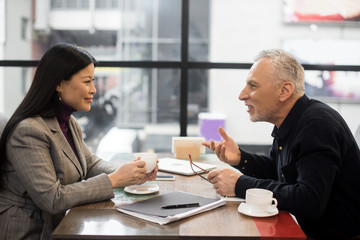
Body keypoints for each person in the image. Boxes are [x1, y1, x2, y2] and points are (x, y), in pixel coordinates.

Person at [0, 43, 158, 239]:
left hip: (62, 223)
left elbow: (90, 164)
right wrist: (114, 180)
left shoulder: (68, 122)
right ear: (58, 83)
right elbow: (52, 199)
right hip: (30, 230)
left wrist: (132, 171)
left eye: (93, 81)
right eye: (86, 82)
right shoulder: (28, 132)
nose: (93, 90)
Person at [203, 49, 360, 239]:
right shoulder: (292, 121)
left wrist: (239, 184)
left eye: (252, 85)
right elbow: (278, 173)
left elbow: (309, 201)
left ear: (284, 91)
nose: (242, 95)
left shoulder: (317, 126)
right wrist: (240, 159)